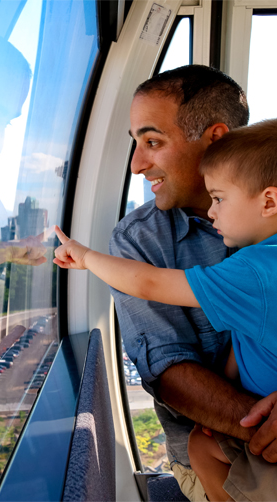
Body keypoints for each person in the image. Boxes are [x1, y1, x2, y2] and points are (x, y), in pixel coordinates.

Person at [62, 64, 276, 501]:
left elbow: (151, 285)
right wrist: (265, 428)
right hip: (227, 445)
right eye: (135, 145)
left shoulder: (256, 262)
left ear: (214, 137)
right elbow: (169, 372)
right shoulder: (138, 240)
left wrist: (84, 258)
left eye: (152, 142)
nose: (138, 164)